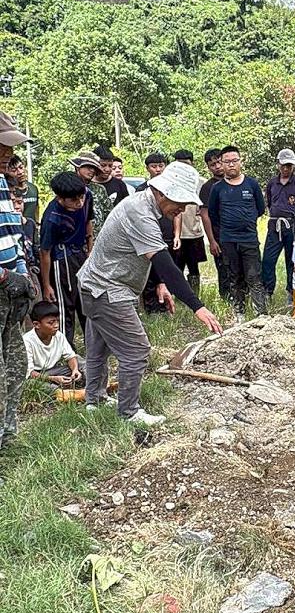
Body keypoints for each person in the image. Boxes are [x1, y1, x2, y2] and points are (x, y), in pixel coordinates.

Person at [78, 162, 222, 426]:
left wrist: (160, 285)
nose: (182, 209)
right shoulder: (140, 213)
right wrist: (197, 306)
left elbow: (148, 257)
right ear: (163, 193)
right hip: (107, 288)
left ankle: (95, 399)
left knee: (98, 347)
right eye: (180, 202)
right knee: (136, 350)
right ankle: (129, 412)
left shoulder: (146, 206)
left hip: (95, 283)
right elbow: (164, 262)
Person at [0, 111, 36, 448]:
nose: (9, 154)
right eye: (3, 146)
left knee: (15, 361)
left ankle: (8, 433)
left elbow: (12, 230)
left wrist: (23, 273)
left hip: (13, 284)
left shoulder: (1, 180)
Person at [208, 146, 267, 321]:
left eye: (235, 161)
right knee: (234, 276)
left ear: (240, 162)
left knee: (254, 275)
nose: (231, 165)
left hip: (249, 238)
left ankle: (260, 314)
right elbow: (213, 214)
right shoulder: (217, 188)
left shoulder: (252, 184)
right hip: (228, 240)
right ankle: (239, 312)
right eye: (227, 162)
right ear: (222, 164)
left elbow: (260, 208)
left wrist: (245, 221)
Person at [40, 171, 94, 348]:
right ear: (60, 198)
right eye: (73, 200)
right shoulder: (51, 217)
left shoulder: (87, 195)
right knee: (65, 307)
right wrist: (47, 284)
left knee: (86, 301)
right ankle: (65, 350)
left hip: (80, 253)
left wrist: (90, 249)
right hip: (61, 260)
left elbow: (88, 221)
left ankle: (93, 345)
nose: (79, 203)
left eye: (80, 198)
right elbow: (45, 252)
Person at [262, 149, 295, 305]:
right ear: (278, 165)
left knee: (292, 260)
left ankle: (291, 292)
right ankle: (268, 292)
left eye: (289, 165)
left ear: (293, 166)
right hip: (275, 226)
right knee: (268, 260)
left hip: (293, 226)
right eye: (283, 165)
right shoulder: (272, 183)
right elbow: (269, 203)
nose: (286, 169)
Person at [136, 153, 179, 314]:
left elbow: (178, 213)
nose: (158, 169)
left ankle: (167, 305)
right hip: (149, 236)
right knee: (150, 274)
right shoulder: (142, 189)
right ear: (147, 168)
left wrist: (177, 234)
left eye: (161, 165)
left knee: (168, 270)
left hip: (167, 235)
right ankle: (151, 308)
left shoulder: (172, 187)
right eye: (154, 166)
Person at [23, 301, 85, 390]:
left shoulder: (59, 335)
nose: (56, 325)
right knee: (30, 383)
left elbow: (70, 356)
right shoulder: (27, 340)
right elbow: (30, 373)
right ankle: (60, 392)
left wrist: (75, 369)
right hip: (37, 375)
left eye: (57, 321)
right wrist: (53, 379)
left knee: (80, 361)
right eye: (51, 323)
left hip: (54, 371)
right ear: (37, 324)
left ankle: (94, 385)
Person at [171, 149, 206, 292]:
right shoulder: (170, 181)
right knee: (176, 266)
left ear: (193, 163)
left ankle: (194, 294)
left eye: (186, 164)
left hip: (194, 232)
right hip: (175, 234)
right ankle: (178, 293)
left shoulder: (201, 183)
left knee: (193, 266)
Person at [199, 148, 231, 301]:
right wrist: (212, 241)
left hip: (240, 236)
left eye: (219, 162)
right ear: (208, 167)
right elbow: (205, 215)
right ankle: (226, 300)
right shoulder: (207, 188)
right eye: (213, 164)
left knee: (245, 270)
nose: (217, 166)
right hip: (219, 236)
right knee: (224, 270)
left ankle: (243, 298)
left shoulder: (238, 181)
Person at [70, 150, 112, 235]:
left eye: (94, 168)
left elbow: (109, 214)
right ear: (78, 167)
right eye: (88, 167)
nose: (92, 171)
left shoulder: (99, 189)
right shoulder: (68, 188)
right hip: (74, 240)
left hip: (98, 239)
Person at [11, 189, 40, 289]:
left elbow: (35, 246)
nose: (16, 207)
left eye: (19, 202)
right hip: (15, 271)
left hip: (31, 269)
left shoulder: (30, 223)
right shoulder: (7, 226)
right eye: (12, 203)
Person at [5, 154, 38, 221]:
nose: (20, 172)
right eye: (14, 170)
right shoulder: (8, 191)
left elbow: (36, 210)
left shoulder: (33, 188)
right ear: (7, 172)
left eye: (21, 167)